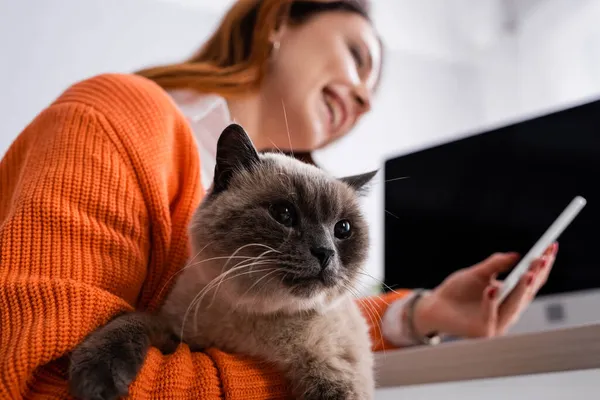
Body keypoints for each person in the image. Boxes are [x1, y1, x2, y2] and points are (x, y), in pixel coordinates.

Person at [0, 0, 557, 398]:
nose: (364, 97)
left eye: (373, 95)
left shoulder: (266, 185)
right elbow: (44, 379)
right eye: (358, 57)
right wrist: (303, 381)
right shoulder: (118, 115)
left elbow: (266, 315)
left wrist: (423, 312)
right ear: (280, 20)